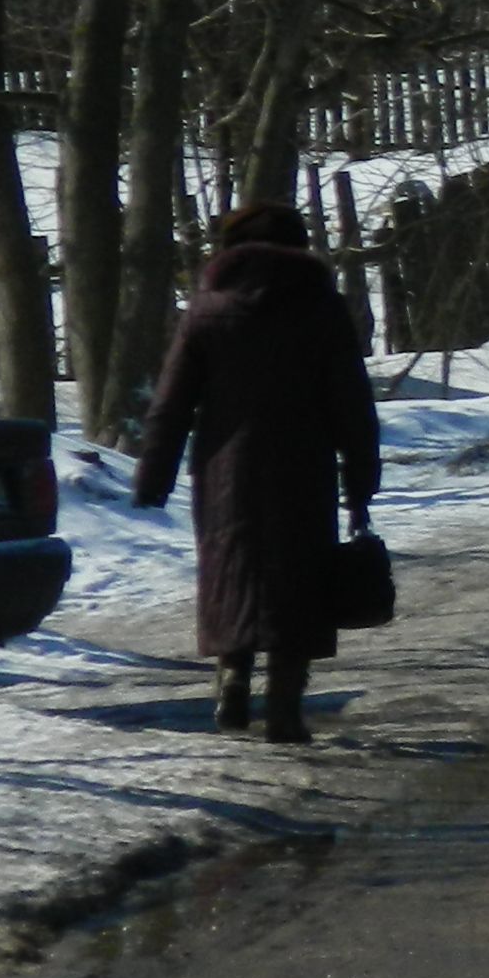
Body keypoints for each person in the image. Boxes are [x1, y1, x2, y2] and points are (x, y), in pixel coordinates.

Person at [132, 203, 382, 743]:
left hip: (226, 469)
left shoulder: (206, 309)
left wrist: (154, 474)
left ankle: (233, 677)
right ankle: (286, 710)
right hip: (302, 465)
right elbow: (351, 401)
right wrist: (360, 478)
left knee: (232, 570)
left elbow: (171, 401)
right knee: (299, 582)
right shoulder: (321, 307)